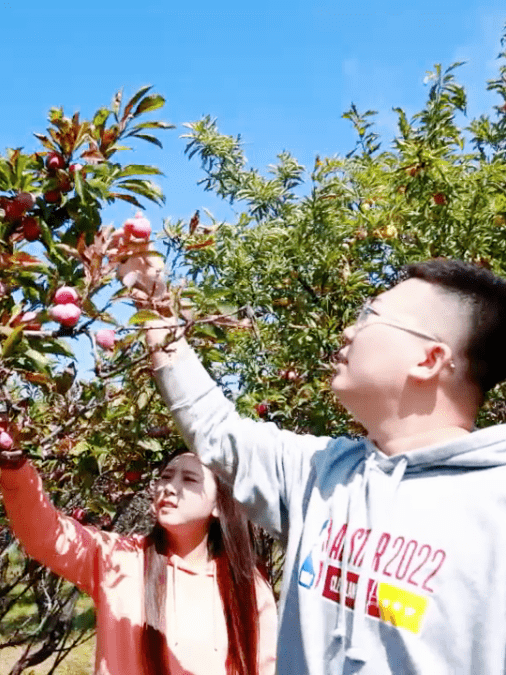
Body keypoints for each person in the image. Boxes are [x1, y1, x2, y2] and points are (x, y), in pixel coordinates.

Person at [120, 251, 506, 675]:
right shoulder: (322, 473)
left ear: (429, 359)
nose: (347, 329)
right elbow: (212, 426)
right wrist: (154, 310)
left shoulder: (494, 505)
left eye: (369, 315)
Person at [0, 447, 277, 675]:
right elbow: (47, 535)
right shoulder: (118, 560)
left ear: (219, 504)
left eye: (189, 480)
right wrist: (15, 471)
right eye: (166, 477)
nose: (170, 488)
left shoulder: (247, 587)